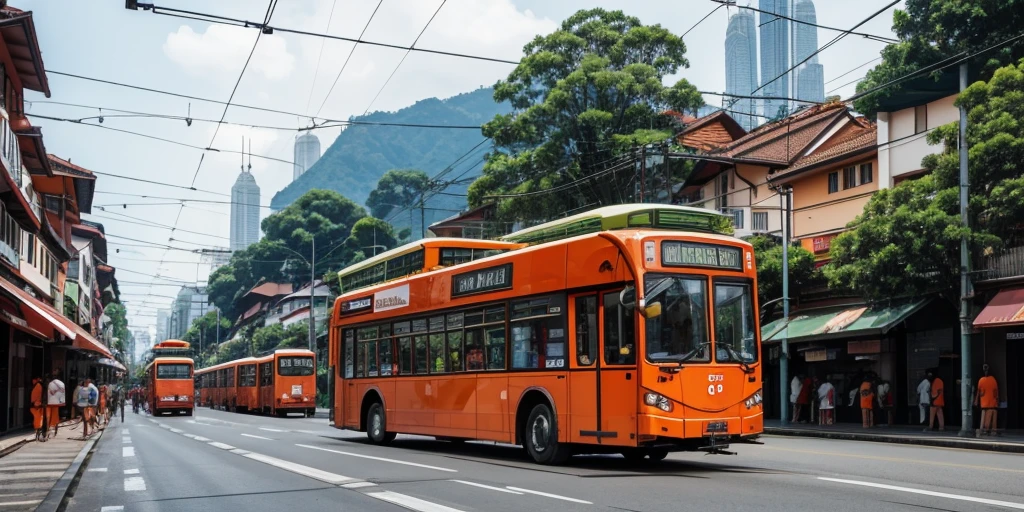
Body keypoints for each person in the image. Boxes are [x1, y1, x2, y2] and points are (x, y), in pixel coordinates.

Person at [975, 364, 999, 437]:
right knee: (991, 415)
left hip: (987, 404)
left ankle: (986, 430)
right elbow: (996, 392)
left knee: (987, 417)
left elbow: (979, 392)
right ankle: (991, 431)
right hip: (990, 403)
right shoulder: (991, 379)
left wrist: (976, 401)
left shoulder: (982, 380)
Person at [47, 368, 65, 439]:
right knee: (55, 417)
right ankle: (55, 431)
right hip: (56, 402)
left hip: (49, 402)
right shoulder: (61, 384)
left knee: (48, 417)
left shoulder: (50, 384)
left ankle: (49, 431)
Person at [30, 376, 45, 441]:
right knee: (39, 418)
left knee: (38, 418)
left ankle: (38, 432)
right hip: (37, 406)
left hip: (36, 406)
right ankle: (38, 432)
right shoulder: (38, 386)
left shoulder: (37, 386)